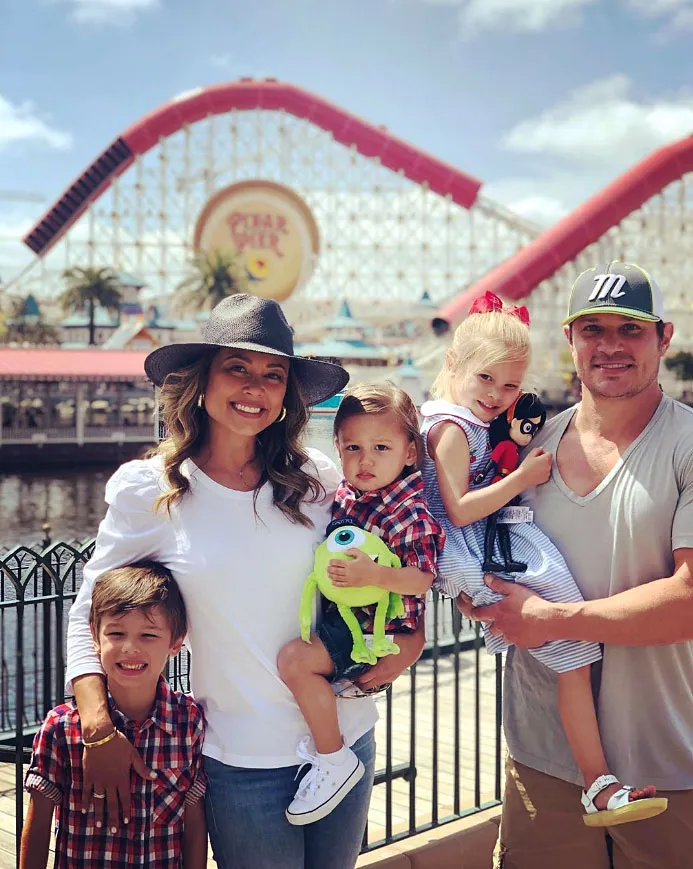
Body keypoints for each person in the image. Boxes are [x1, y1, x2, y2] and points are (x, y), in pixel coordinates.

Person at [64, 294, 426, 869]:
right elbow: (87, 613)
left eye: (272, 374)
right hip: (243, 758)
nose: (255, 387)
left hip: (346, 738)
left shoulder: (318, 478)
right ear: (201, 381)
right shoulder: (152, 490)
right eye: (237, 367)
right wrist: (97, 726)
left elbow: (391, 564)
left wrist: (411, 642)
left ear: (287, 394)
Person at [455, 263, 693, 869]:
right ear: (570, 340)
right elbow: (473, 542)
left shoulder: (686, 446)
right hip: (542, 763)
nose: (610, 346)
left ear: (663, 338)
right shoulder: (524, 450)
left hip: (667, 762)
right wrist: (476, 594)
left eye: (629, 330)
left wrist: (554, 618)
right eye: (592, 329)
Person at [419, 289, 662, 828]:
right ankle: (597, 784)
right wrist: (521, 478)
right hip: (479, 552)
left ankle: (596, 782)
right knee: (576, 656)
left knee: (575, 659)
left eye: (510, 384)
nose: (498, 394)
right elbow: (457, 511)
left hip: (483, 553)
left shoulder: (457, 420)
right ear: (454, 364)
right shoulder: (454, 430)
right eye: (486, 379)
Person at [278, 383, 445, 825]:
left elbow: (423, 577)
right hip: (354, 618)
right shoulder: (350, 494)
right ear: (336, 446)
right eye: (353, 447)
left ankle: (333, 759)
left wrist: (374, 576)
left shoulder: (409, 510)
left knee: (295, 661)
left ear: (410, 453)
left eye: (380, 447)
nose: (365, 459)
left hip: (380, 630)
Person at [22, 562, 207, 869]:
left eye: (148, 635)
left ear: (176, 642)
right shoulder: (60, 728)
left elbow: (195, 825)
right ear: (94, 637)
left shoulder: (189, 724)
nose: (129, 648)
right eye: (116, 633)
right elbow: (39, 825)